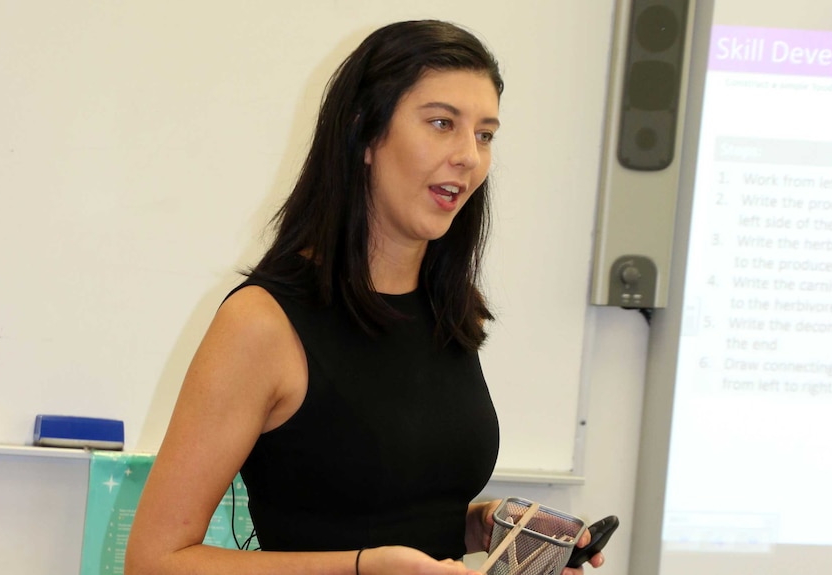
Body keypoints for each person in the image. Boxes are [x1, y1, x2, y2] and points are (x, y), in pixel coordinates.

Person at [125, 19, 604, 575]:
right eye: (443, 123)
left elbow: (395, 514)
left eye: (485, 134)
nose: (469, 157)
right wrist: (362, 568)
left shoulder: (445, 311)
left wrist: (485, 523)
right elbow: (155, 561)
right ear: (365, 134)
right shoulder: (263, 322)